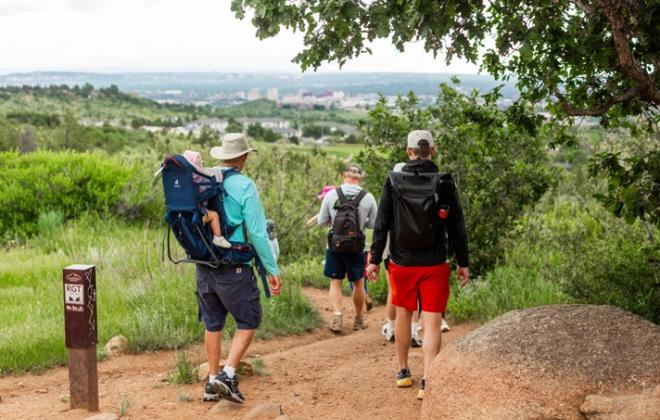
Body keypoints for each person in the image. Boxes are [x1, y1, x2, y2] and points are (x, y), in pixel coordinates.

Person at [367, 130, 469, 401]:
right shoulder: (444, 182)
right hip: (435, 262)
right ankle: (428, 380)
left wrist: (375, 259)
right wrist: (463, 262)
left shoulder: (393, 180)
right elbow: (457, 226)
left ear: (408, 151)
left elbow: (382, 224)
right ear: (432, 151)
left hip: (401, 262)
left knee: (403, 314)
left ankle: (403, 371)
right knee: (433, 321)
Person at [197, 133, 281, 405]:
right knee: (248, 321)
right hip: (234, 266)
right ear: (243, 157)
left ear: (222, 156)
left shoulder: (203, 180)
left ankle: (211, 382)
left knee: (213, 323)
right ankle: (228, 373)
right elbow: (257, 232)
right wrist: (271, 268)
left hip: (204, 265)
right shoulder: (245, 185)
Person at [318, 164, 378, 333]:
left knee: (335, 282)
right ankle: (358, 320)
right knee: (358, 282)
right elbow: (374, 223)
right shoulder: (368, 197)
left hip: (334, 245)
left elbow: (321, 221)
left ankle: (337, 317)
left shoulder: (331, 195)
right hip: (357, 246)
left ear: (343, 175)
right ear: (360, 177)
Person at [181, 150, 231, 248]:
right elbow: (206, 190)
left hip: (183, 212)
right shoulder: (198, 179)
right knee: (214, 215)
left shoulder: (182, 179)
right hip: (197, 214)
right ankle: (218, 238)